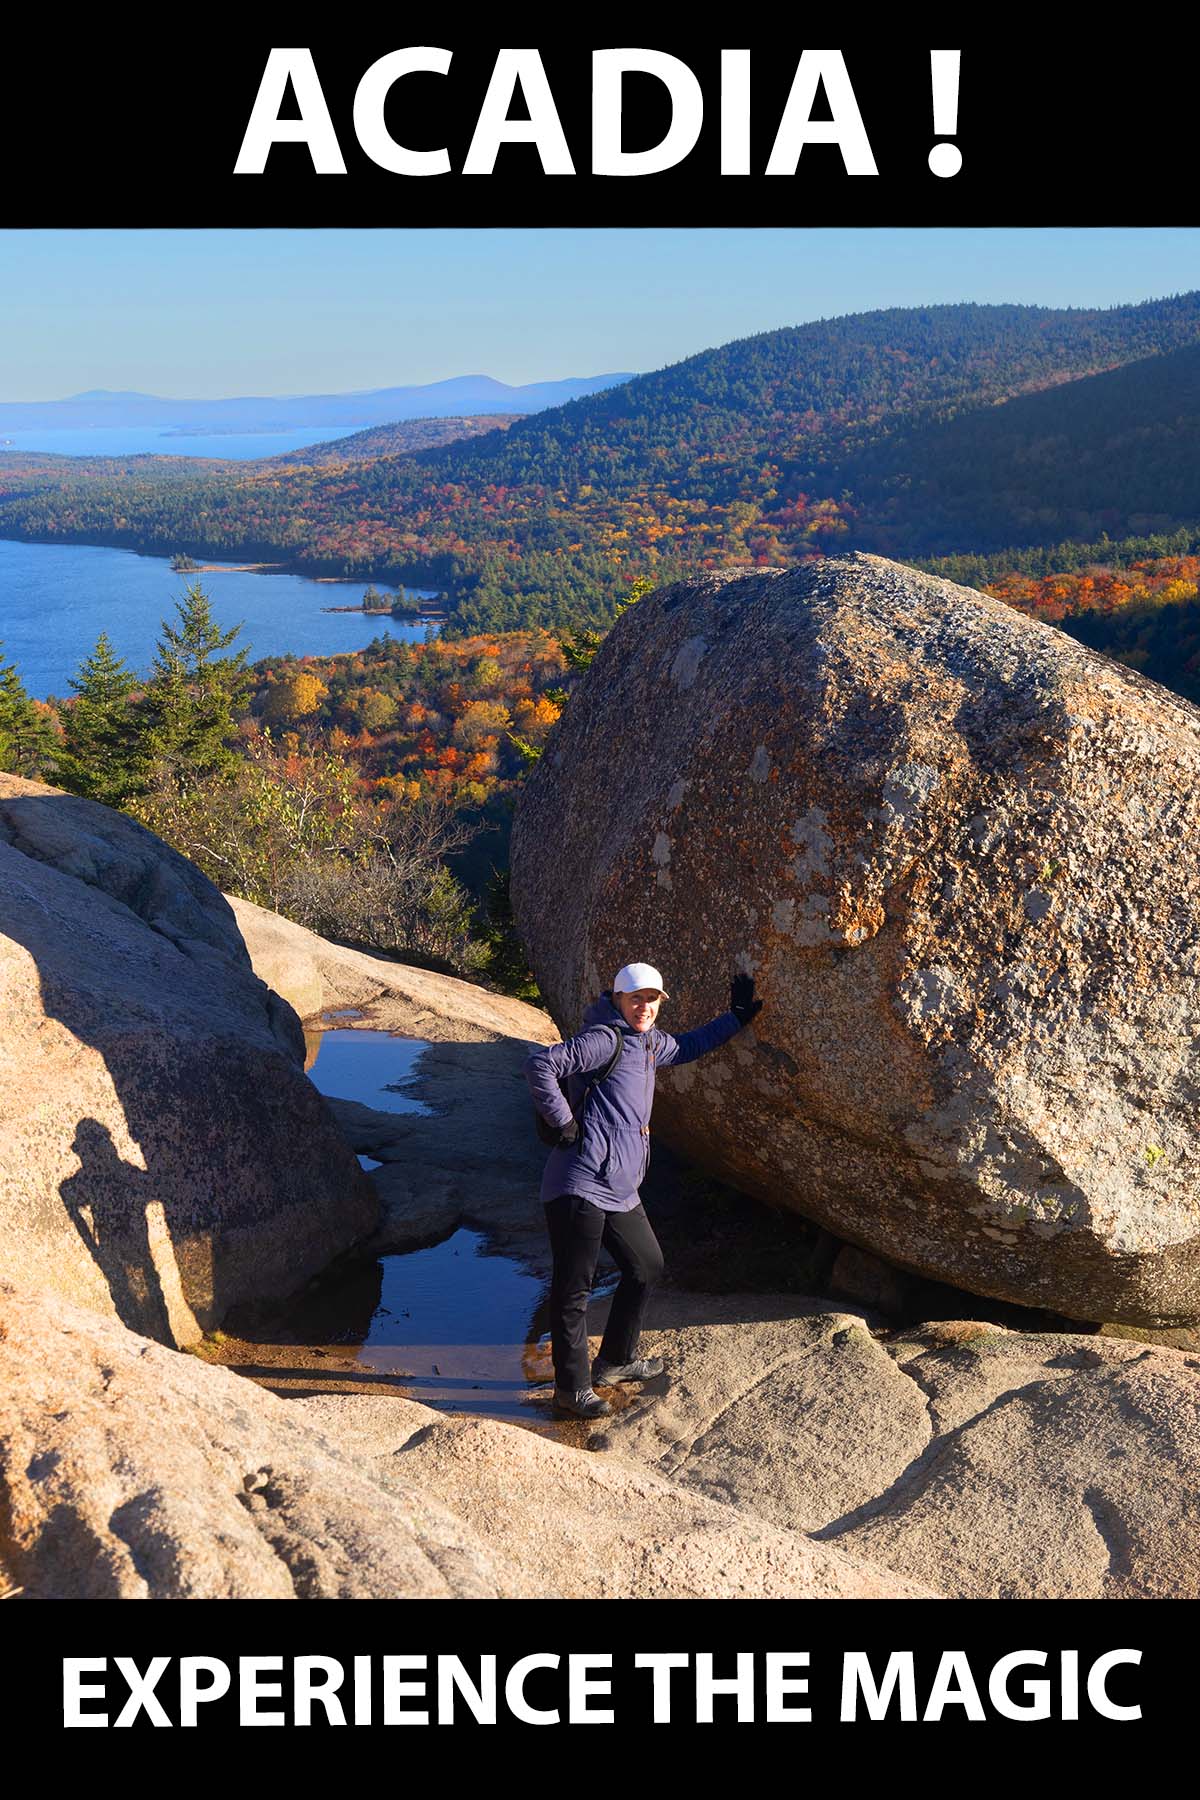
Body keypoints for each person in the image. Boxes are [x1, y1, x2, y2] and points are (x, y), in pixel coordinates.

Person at [524, 961, 764, 1419]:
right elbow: (541, 1064)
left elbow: (691, 1044)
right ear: (617, 999)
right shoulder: (605, 1038)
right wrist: (566, 1123)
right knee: (574, 1290)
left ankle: (614, 1360)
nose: (645, 1007)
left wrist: (735, 1017)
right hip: (581, 1181)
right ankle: (570, 1389)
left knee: (647, 1265)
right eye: (636, 998)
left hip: (620, 1185)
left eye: (652, 999)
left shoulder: (649, 1043)